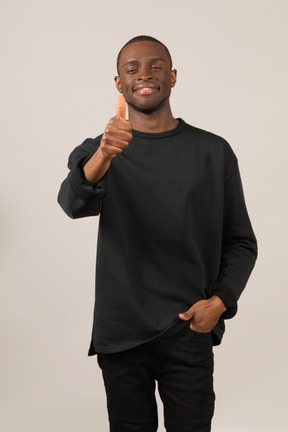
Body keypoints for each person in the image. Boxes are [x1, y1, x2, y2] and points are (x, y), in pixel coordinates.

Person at [58, 35, 257, 432]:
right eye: (131, 69)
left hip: (187, 327)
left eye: (155, 66)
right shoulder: (99, 149)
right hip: (122, 331)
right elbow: (72, 203)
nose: (144, 75)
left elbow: (241, 241)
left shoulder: (212, 152)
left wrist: (220, 302)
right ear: (119, 83)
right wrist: (105, 154)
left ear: (173, 77)